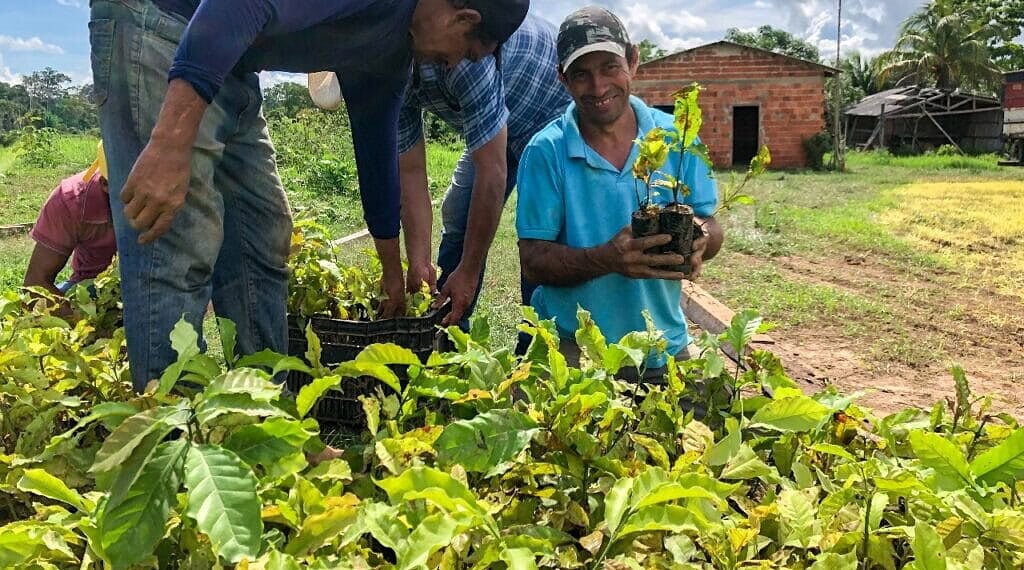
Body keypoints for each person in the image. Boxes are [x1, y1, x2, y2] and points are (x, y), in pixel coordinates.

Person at [88, 0, 529, 390]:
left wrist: (392, 272)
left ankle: (264, 421)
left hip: (232, 61)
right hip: (165, 25)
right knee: (173, 237)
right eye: (468, 51)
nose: (455, 64)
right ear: (463, 17)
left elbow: (376, 152)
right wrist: (170, 140)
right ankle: (170, 437)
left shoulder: (395, 52)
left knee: (263, 234)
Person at [515, 6, 724, 377]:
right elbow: (532, 261)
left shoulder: (676, 138)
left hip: (664, 347)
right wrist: (607, 258)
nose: (598, 87)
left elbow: (710, 222)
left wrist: (700, 241)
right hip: (572, 352)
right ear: (562, 79)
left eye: (609, 67)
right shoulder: (545, 151)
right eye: (581, 74)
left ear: (633, 60)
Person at [396, 11, 571, 328]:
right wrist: (419, 261)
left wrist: (470, 271)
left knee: (542, 234)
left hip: (550, 114)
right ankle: (446, 333)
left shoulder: (470, 58)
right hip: (501, 123)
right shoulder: (392, 74)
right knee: (459, 215)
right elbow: (409, 171)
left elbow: (492, 172)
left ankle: (535, 352)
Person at [25, 144, 115, 297]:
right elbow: (36, 284)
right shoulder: (70, 200)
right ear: (105, 183)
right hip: (93, 285)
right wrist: (80, 320)